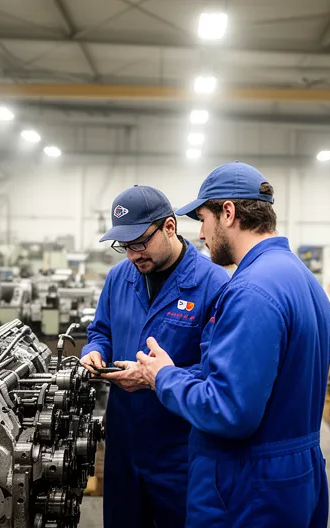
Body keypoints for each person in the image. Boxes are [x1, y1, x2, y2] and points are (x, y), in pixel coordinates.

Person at [135, 162, 330, 527]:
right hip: (293, 477)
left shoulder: (252, 291)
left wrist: (164, 377)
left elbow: (229, 411)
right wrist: (178, 371)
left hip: (249, 488)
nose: (200, 235)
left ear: (228, 213)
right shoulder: (302, 279)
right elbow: (251, 379)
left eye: (203, 219)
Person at [80, 185, 229, 527]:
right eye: (124, 246)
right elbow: (100, 331)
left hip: (179, 450)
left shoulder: (212, 284)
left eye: (140, 243)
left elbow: (215, 372)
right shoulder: (119, 277)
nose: (132, 255)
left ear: (170, 227)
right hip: (123, 444)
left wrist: (154, 379)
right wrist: (94, 353)